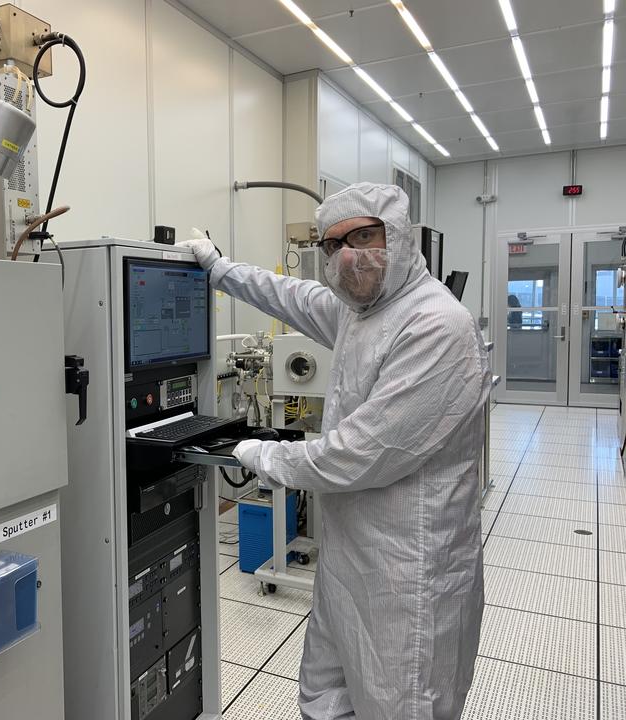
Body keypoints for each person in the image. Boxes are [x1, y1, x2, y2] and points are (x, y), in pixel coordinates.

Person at [179, 182, 490, 720]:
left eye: (364, 236)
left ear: (397, 237)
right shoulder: (357, 311)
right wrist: (217, 268)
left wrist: (263, 456)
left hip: (408, 571)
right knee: (325, 696)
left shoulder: (435, 325)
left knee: (401, 705)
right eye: (333, 244)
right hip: (348, 557)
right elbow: (286, 294)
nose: (348, 255)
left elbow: (357, 454)